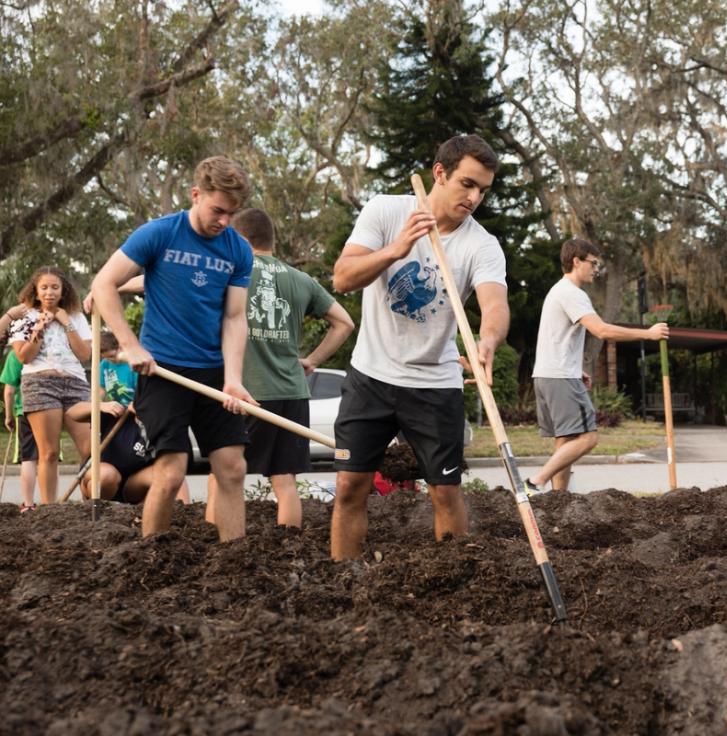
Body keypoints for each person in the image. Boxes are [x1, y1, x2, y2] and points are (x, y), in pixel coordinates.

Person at [330, 134, 509, 560]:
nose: (474, 197)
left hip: (435, 383)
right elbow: (342, 277)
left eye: (482, 189)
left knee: (446, 492)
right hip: (371, 375)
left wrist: (487, 340)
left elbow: (494, 305)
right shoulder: (386, 211)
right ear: (439, 173)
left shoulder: (481, 244)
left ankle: (454, 579)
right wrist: (397, 248)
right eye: (467, 183)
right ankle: (343, 578)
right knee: (348, 486)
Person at [89, 155, 256, 541]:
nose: (224, 221)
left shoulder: (237, 250)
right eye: (218, 210)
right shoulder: (159, 233)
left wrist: (232, 379)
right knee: (171, 471)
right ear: (196, 195)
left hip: (213, 373)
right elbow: (103, 285)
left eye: (232, 213)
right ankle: (153, 556)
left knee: (232, 468)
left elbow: (234, 318)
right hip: (161, 369)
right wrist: (130, 346)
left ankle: (234, 560)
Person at [217, 207, 353, 528]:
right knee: (284, 480)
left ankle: (219, 549)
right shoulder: (301, 279)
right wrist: (313, 361)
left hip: (248, 393)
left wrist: (116, 286)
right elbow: (344, 323)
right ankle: (289, 548)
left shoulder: (233, 272)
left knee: (222, 477)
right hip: (292, 391)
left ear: (238, 239)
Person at [525, 238, 668, 493]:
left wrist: (575, 368)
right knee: (588, 437)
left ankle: (559, 499)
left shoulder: (558, 291)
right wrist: (648, 334)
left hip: (547, 375)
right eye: (593, 263)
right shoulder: (572, 293)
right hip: (560, 377)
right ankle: (537, 481)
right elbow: (601, 330)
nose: (596, 269)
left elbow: (555, 337)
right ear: (576, 261)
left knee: (566, 441)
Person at [8, 268, 92, 504]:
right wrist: (39, 328)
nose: (49, 292)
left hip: (75, 383)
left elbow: (85, 354)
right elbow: (24, 357)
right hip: (39, 383)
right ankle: (49, 509)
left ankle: (91, 503)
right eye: (44, 287)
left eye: (55, 287)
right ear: (35, 290)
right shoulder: (22, 318)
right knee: (49, 452)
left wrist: (66, 322)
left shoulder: (75, 316)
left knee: (90, 449)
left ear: (63, 290)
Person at [2, 348, 38, 512]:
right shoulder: (51, 346)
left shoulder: (16, 353)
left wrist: (8, 416)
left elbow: (9, 390)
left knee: (28, 457)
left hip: (25, 410)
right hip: (52, 410)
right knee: (49, 456)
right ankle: (51, 503)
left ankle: (28, 505)